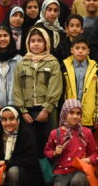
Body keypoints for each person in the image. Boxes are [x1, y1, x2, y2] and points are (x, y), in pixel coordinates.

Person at [13, 26, 63, 154]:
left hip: (47, 111)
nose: (36, 44)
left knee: (49, 144)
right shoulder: (21, 63)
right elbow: (17, 89)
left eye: (40, 41)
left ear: (46, 43)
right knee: (30, 145)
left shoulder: (53, 63)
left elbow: (55, 87)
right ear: (28, 43)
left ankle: (49, 167)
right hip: (27, 112)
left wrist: (46, 109)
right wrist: (23, 112)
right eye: (33, 41)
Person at [44, 99, 98, 186]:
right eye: (71, 113)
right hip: (61, 172)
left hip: (79, 171)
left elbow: (95, 154)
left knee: (78, 182)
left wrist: (88, 160)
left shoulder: (86, 132)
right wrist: (54, 153)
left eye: (78, 113)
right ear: (65, 113)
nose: (75, 116)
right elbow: (47, 151)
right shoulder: (55, 133)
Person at [61, 36, 98, 127]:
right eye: (77, 48)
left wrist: (96, 116)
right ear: (72, 50)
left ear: (88, 51)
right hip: (69, 114)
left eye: (83, 48)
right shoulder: (64, 67)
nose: (80, 51)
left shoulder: (95, 68)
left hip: (88, 114)